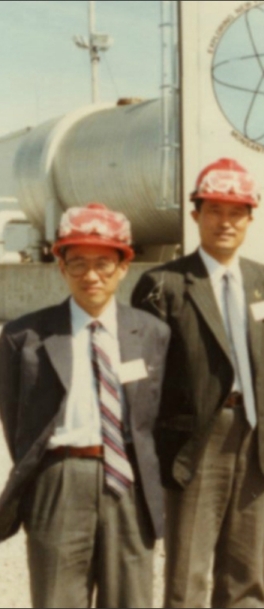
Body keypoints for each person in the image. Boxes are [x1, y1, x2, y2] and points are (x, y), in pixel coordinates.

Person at [0, 204, 170, 608]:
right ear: (60, 266)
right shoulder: (25, 336)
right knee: (57, 597)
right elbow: (15, 420)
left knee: (130, 598)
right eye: (77, 263)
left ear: (124, 266)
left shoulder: (151, 332)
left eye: (103, 263)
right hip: (59, 480)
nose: (90, 276)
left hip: (126, 481)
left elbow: (154, 416)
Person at [131, 158, 264, 608]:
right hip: (195, 442)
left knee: (247, 574)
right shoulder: (165, 283)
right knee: (188, 577)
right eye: (214, 210)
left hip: (256, 436)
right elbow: (146, 380)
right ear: (195, 215)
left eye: (236, 211)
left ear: (251, 217)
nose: (225, 221)